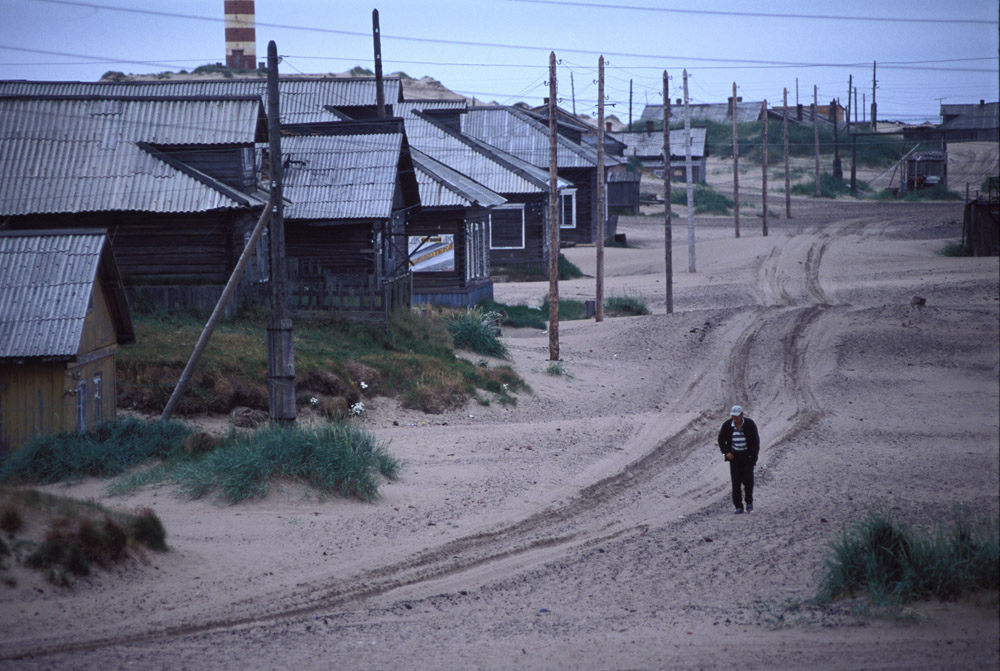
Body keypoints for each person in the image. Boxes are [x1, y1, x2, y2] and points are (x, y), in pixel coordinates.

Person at [718, 405, 760, 514]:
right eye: (733, 416)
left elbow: (755, 442)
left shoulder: (749, 424)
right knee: (736, 482)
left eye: (736, 416)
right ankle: (738, 506)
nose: (735, 418)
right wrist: (726, 452)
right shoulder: (727, 425)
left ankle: (749, 502)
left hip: (747, 457)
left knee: (748, 481)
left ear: (741, 415)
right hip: (734, 457)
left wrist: (752, 455)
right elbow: (721, 440)